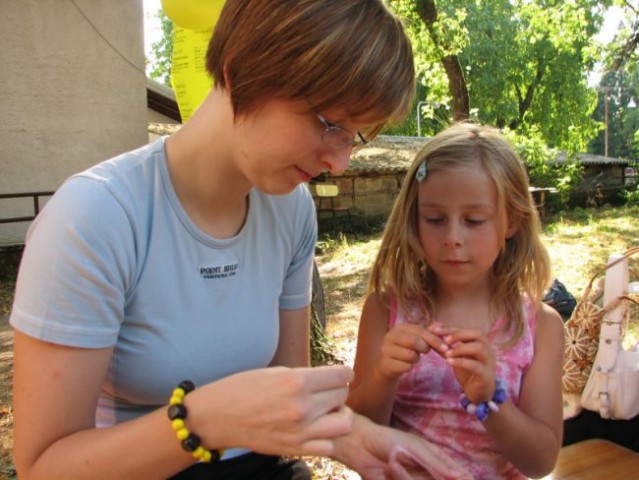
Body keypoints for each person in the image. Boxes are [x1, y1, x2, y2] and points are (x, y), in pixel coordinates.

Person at [9, 1, 474, 479]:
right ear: (241, 70)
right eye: (330, 124)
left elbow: (290, 391)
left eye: (353, 138)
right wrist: (203, 423)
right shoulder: (97, 216)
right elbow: (43, 466)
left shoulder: (290, 210)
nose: (338, 163)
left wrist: (363, 439)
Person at [346, 123, 565, 479]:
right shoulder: (386, 310)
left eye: (474, 220)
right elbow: (354, 433)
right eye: (434, 219)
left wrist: (490, 400)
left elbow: (541, 461)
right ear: (414, 220)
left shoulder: (541, 327)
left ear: (512, 221)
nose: (452, 238)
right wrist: (383, 376)